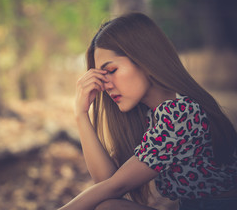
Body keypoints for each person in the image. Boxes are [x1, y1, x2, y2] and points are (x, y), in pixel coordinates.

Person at [58, 12, 237, 210]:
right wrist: (81, 115)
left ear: (144, 59)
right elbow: (106, 182)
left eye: (111, 71)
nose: (105, 85)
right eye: (101, 76)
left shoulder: (180, 113)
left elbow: (115, 186)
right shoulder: (150, 117)